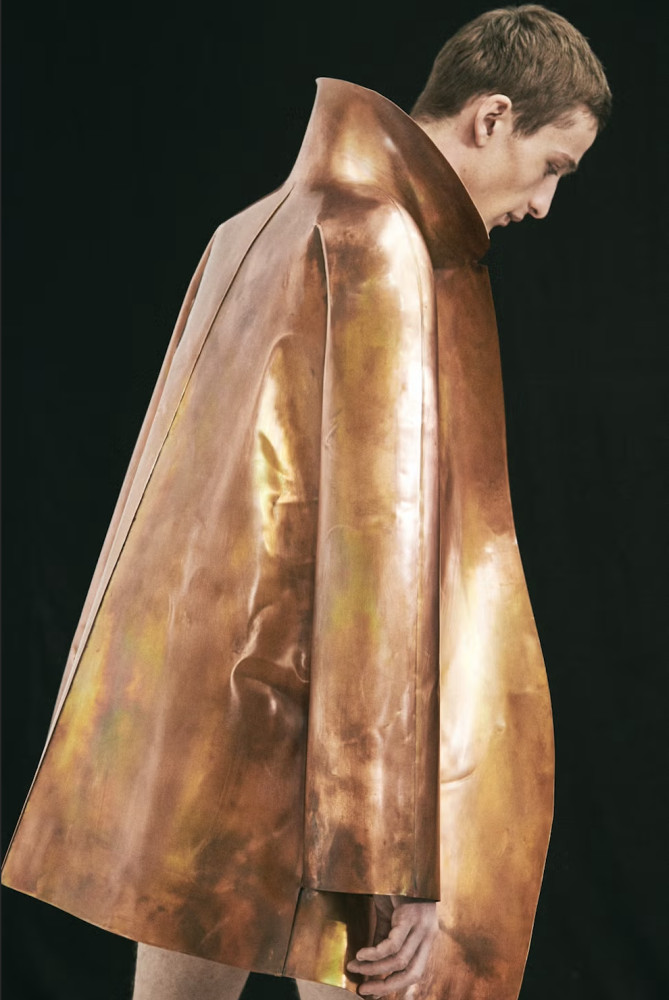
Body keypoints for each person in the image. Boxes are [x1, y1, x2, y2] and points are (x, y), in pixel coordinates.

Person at [2, 6, 611, 1000]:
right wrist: (397, 857)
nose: (543, 204)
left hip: (191, 746)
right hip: (322, 762)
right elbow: (378, 571)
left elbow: (149, 527)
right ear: (493, 116)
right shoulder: (381, 245)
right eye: (553, 166)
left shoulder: (249, 228)